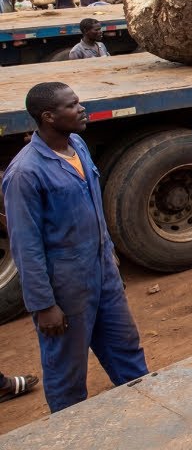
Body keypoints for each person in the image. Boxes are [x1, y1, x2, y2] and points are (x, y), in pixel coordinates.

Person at [1, 82, 149, 412]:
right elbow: (26, 246)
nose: (81, 108)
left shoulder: (77, 145)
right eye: (72, 105)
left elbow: (94, 211)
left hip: (103, 274)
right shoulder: (25, 173)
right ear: (49, 117)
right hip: (65, 288)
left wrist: (110, 259)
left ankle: (146, 413)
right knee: (66, 372)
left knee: (127, 350)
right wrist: (43, 305)